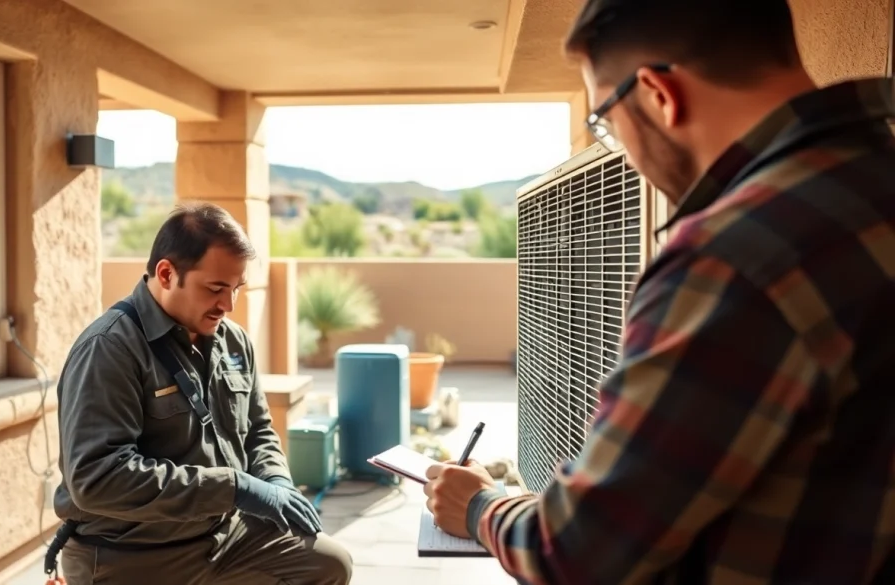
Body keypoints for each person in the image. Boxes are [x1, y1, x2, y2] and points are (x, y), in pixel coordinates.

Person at [423, 0, 895, 583]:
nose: (617, 145)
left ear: (658, 94)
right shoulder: (871, 185)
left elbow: (577, 551)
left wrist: (477, 506)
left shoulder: (735, 256)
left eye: (604, 122)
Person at [51, 202, 353, 584]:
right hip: (131, 553)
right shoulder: (109, 347)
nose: (227, 305)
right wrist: (235, 488)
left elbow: (258, 431)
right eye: (215, 288)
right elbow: (97, 479)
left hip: (224, 537)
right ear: (166, 273)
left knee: (328, 564)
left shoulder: (233, 340)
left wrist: (276, 483)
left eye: (236, 289)